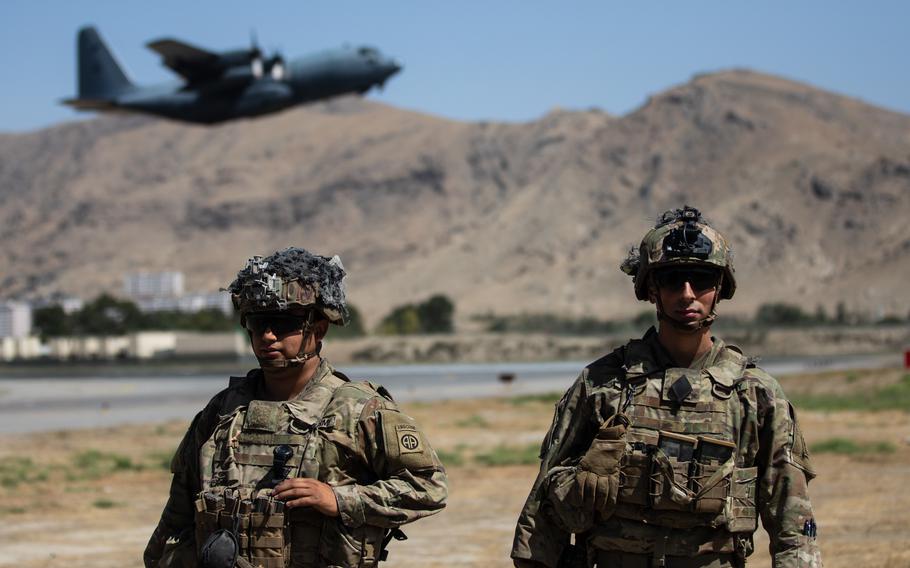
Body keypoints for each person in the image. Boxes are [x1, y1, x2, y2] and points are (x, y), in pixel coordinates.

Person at [511, 206, 821, 568]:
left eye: (701, 279)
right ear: (651, 289)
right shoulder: (602, 385)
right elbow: (542, 512)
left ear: (720, 288)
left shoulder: (755, 394)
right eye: (673, 280)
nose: (687, 294)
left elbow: (793, 522)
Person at [145, 247, 447, 568]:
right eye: (257, 323)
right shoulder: (223, 411)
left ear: (318, 329)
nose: (268, 336)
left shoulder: (357, 409)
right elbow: (178, 514)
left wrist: (339, 500)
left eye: (283, 323)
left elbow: (429, 486)